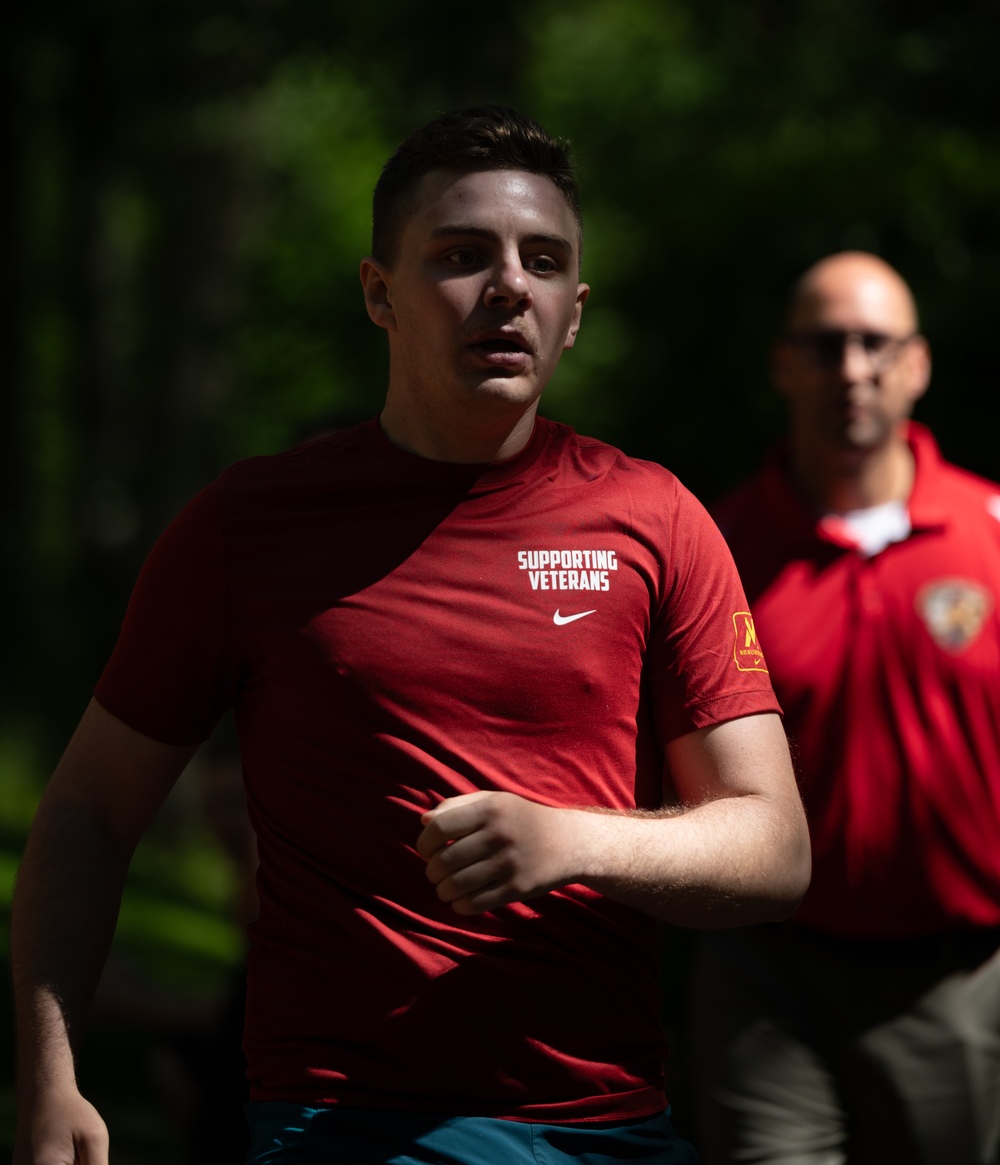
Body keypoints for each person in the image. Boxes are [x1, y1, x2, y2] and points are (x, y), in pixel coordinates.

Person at [12, 106, 809, 1165]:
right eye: (461, 255)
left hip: (606, 1128)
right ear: (379, 294)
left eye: (543, 261)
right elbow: (85, 811)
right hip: (341, 1127)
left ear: (574, 311)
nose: (508, 287)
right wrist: (49, 1074)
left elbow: (773, 845)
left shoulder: (655, 519)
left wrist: (570, 841)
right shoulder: (246, 527)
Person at [692, 251, 1000, 1165]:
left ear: (917, 363)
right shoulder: (719, 551)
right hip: (767, 980)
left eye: (876, 343)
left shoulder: (993, 533)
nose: (853, 368)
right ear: (786, 365)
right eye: (827, 346)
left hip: (956, 978)